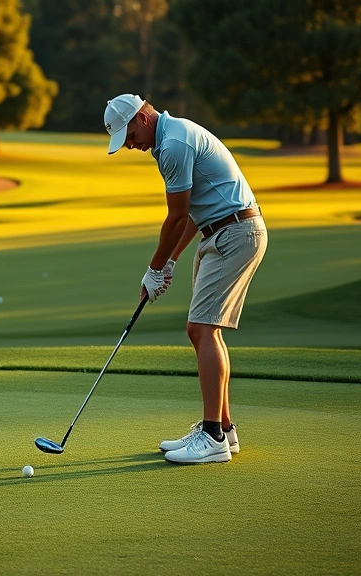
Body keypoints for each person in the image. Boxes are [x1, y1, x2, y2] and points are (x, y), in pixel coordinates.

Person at [104, 94, 267, 464]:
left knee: (201, 328)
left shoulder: (173, 143)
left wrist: (154, 268)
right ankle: (222, 428)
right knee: (205, 329)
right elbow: (194, 211)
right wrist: (172, 261)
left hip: (235, 233)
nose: (130, 145)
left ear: (142, 117)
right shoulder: (171, 136)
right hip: (221, 232)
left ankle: (212, 438)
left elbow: (176, 217)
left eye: (128, 135)